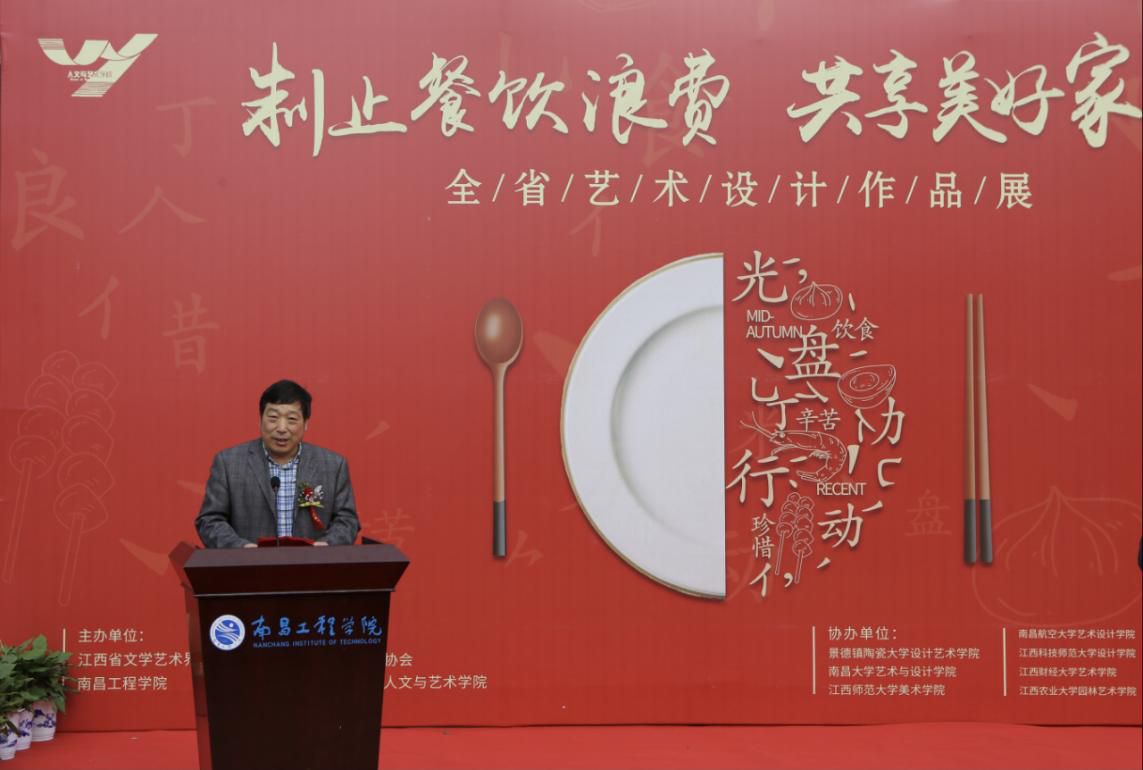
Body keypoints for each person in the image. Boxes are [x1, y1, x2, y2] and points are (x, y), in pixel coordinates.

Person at [195, 380, 360, 548]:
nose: (281, 428)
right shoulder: (228, 463)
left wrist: (325, 546)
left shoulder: (333, 465)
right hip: (249, 563)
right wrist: (241, 549)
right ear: (260, 420)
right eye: (273, 418)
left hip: (313, 563)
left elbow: (347, 520)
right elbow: (210, 520)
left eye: (292, 419)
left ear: (306, 424)